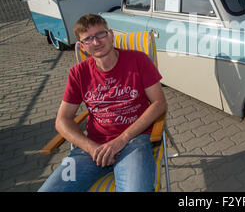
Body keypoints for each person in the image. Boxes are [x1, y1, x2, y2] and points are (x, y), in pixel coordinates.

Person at [39, 14, 167, 192]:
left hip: (133, 142)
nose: (97, 42)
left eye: (101, 34)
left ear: (111, 34)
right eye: (88, 39)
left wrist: (121, 140)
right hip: (91, 148)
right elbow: (62, 120)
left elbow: (159, 103)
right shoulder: (78, 73)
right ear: (82, 47)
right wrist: (91, 148)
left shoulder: (138, 60)